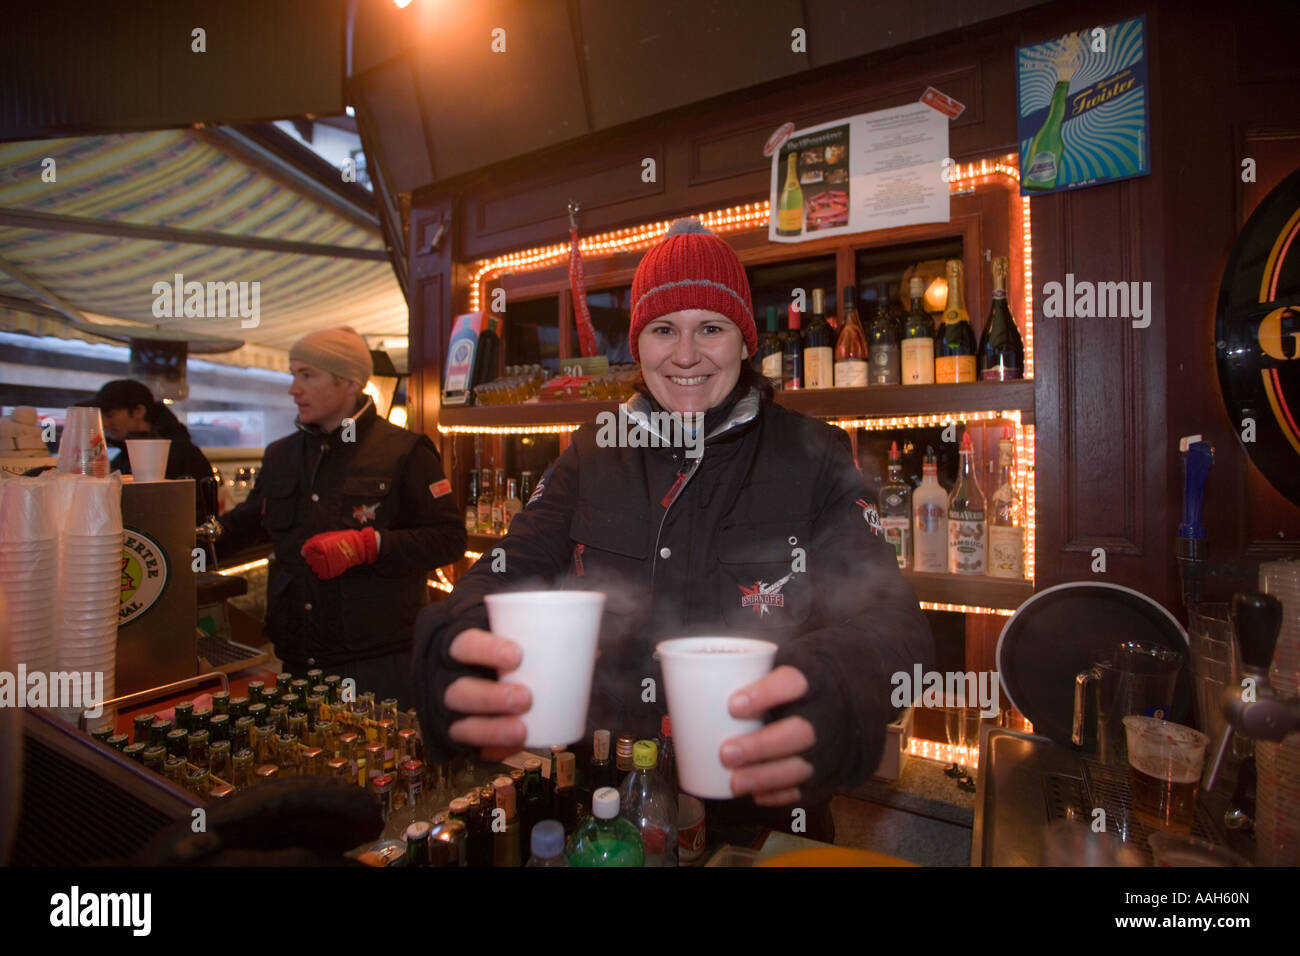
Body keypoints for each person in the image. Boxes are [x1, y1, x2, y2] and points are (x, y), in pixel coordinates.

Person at [413, 219, 934, 843]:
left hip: (761, 814)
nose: (685, 356)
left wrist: (841, 683)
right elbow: (506, 567)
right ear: (638, 346)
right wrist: (457, 639)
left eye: (710, 329)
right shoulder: (594, 450)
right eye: (664, 330)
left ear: (745, 342)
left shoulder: (814, 454)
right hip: (601, 809)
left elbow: (897, 624)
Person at [217, 327, 467, 707]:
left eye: (306, 375)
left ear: (349, 382)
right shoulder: (280, 455)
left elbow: (449, 538)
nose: (292, 389)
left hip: (376, 663)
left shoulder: (404, 452)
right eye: (292, 375)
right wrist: (184, 543)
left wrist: (370, 545)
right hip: (297, 659)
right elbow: (247, 523)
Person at [89, 379, 218, 520]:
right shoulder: (122, 457)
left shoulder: (184, 454)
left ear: (139, 411)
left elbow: (200, 517)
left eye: (110, 415)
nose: (105, 424)